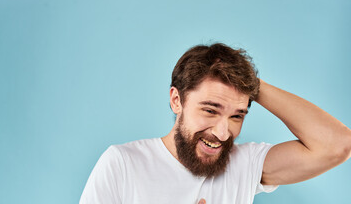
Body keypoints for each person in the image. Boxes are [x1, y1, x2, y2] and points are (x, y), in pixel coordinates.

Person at [80, 43, 351, 204]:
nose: (223, 133)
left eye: (237, 115)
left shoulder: (244, 164)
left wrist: (251, 84)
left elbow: (337, 145)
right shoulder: (122, 163)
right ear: (177, 100)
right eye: (210, 110)